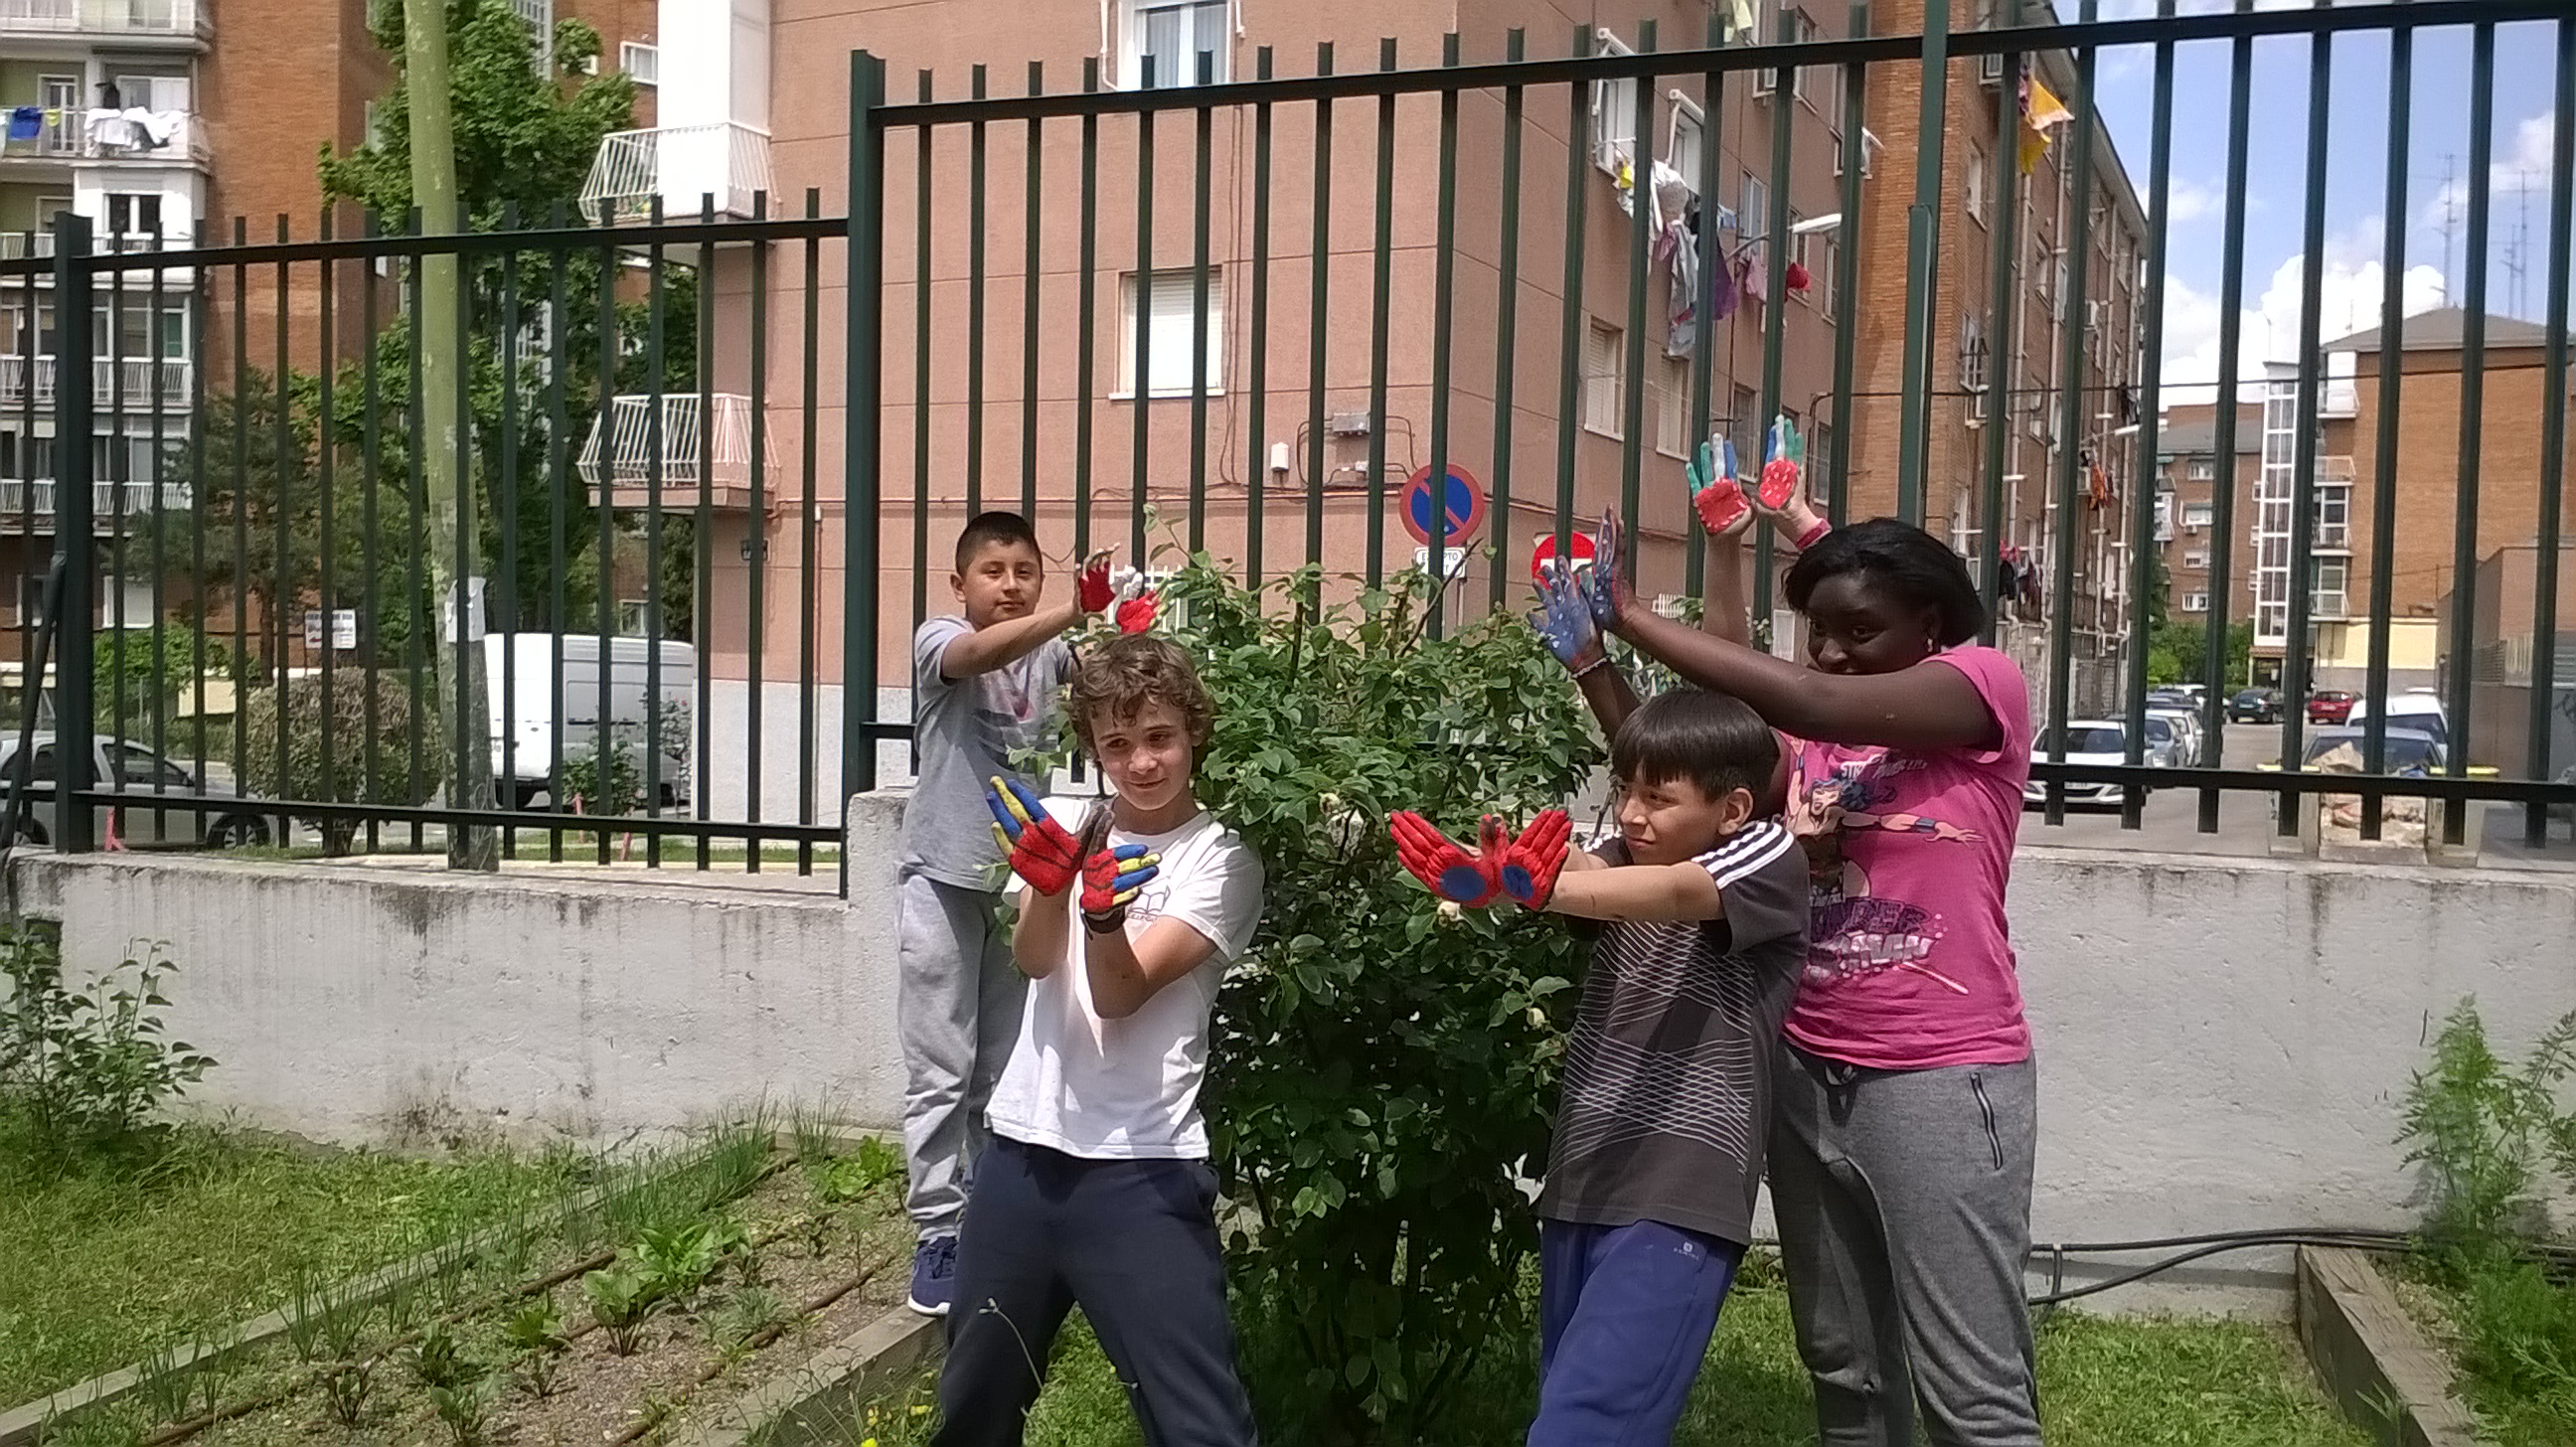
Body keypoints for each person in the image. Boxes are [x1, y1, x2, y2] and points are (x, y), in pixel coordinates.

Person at [1539, 431, 2044, 1447]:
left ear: (1932, 627)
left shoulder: (1984, 686)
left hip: (1940, 1075)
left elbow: (1805, 694)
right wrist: (1598, 667)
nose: (1828, 653)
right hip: (1806, 1073)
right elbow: (1694, 791)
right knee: (1844, 1365)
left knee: (1972, 1390)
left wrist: (1634, 613)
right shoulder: (1811, 753)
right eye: (1815, 630)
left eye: (1857, 630)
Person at [1391, 688, 1810, 1446]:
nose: (1630, 813)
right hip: (1584, 1182)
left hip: (1681, 1193)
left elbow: (1677, 894)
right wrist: (1512, 864)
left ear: (1733, 807)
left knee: (1585, 1427)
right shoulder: (1623, 857)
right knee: (1573, 1409)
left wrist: (1539, 887)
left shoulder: (1768, 855)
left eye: (1657, 796)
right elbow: (1589, 872)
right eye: (1625, 790)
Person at [936, 633, 1265, 1447]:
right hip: (1021, 1156)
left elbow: (1120, 993)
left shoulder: (1220, 860)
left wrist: (1104, 913)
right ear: (1092, 747)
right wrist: (1052, 889)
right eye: (1117, 744)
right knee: (974, 1402)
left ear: (1194, 731)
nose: (1142, 762)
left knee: (1200, 1425)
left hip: (1142, 1169)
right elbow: (1033, 959)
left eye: (1159, 738)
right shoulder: (1070, 829)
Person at [896, 511, 1117, 1316]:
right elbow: (977, 654)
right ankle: (937, 1232)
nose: (1011, 585)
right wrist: (1071, 615)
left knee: (1002, 1067)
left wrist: (1117, 633)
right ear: (961, 584)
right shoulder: (938, 639)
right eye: (994, 572)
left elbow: (1102, 704)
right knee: (941, 1066)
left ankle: (992, 1218)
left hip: (1017, 887)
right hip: (942, 879)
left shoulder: (1053, 650)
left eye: (1026, 571)